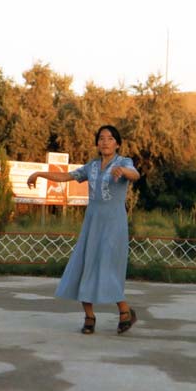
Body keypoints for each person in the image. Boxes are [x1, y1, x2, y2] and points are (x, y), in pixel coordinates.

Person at [27, 125, 140, 335]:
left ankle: (125, 311)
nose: (105, 142)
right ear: (97, 143)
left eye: (110, 138)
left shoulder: (124, 162)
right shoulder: (92, 166)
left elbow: (135, 175)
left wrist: (123, 171)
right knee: (85, 264)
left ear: (117, 143)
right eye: (101, 138)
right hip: (92, 221)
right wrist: (39, 173)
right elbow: (67, 176)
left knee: (107, 266)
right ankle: (89, 316)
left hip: (114, 223)